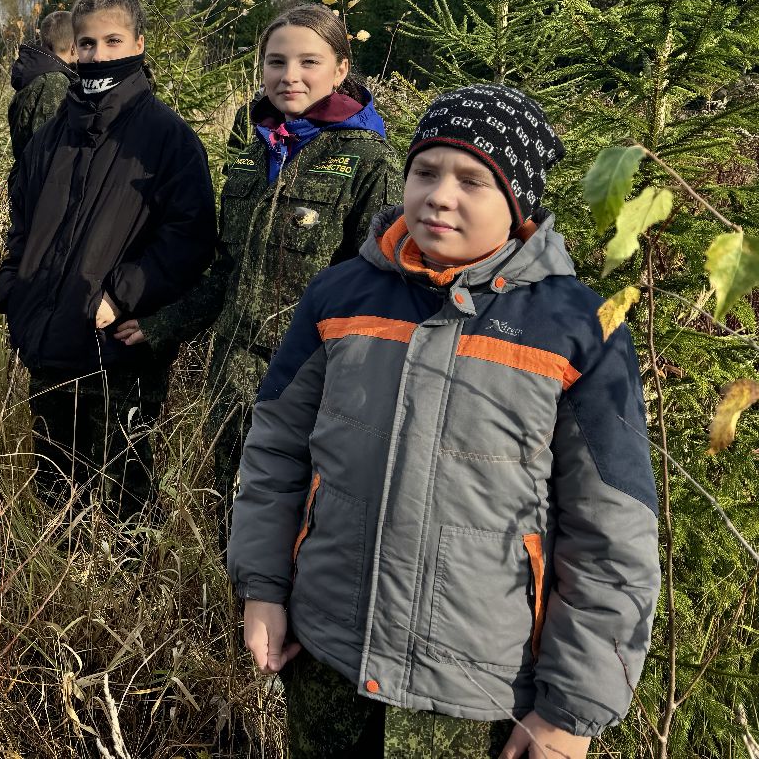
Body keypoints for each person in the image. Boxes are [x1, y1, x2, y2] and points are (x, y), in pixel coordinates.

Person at [229, 84, 660, 758]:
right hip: (328, 657)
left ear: (518, 202)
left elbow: (613, 529)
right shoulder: (339, 296)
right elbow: (276, 452)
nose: (439, 195)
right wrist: (262, 588)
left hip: (473, 694)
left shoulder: (579, 329)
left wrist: (572, 711)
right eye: (425, 171)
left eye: (472, 181)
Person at [117, 5, 400, 515]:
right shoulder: (252, 153)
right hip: (233, 381)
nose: (290, 76)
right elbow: (230, 271)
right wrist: (163, 324)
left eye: (308, 62)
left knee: (302, 524)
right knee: (235, 517)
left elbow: (380, 294)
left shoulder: (369, 162)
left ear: (340, 70)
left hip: (313, 388)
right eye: (276, 62)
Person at [0, 0, 216, 519]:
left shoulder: (167, 139)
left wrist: (121, 294)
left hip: (115, 355)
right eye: (86, 44)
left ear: (138, 44)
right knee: (55, 505)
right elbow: (21, 221)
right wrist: (15, 289)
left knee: (123, 511)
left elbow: (191, 238)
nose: (98, 55)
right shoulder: (49, 138)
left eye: (112, 40)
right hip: (47, 350)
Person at [7, 10, 77, 160]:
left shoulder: (35, 75)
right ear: (73, 47)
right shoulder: (54, 81)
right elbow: (50, 149)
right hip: (38, 180)